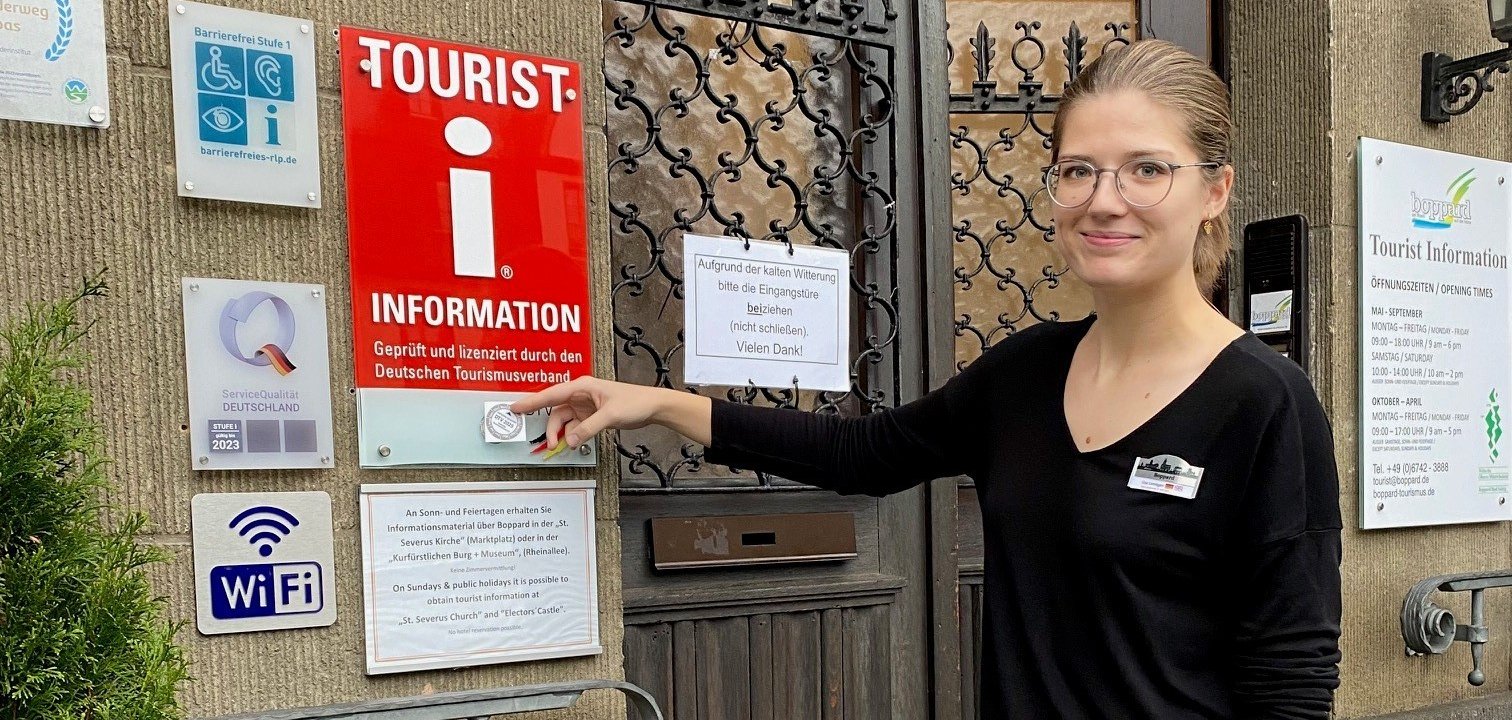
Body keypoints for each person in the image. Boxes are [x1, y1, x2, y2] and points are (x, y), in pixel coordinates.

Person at [513, 39, 1342, 719]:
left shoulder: (1264, 404)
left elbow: (1291, 680)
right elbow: (858, 454)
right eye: (1078, 169)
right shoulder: (1023, 374)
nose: (1104, 200)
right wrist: (656, 403)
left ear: (1214, 191)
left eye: (1147, 169)